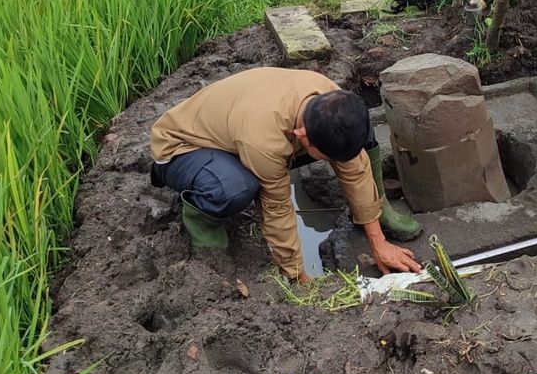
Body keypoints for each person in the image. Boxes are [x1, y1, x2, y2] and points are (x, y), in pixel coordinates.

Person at [149, 67, 423, 282]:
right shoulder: (264, 141)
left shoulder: (330, 97)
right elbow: (277, 207)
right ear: (302, 136)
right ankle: (206, 237)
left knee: (357, 137)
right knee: (235, 187)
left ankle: (378, 210)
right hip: (182, 147)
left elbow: (355, 167)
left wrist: (379, 241)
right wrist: (296, 274)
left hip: (237, 129)